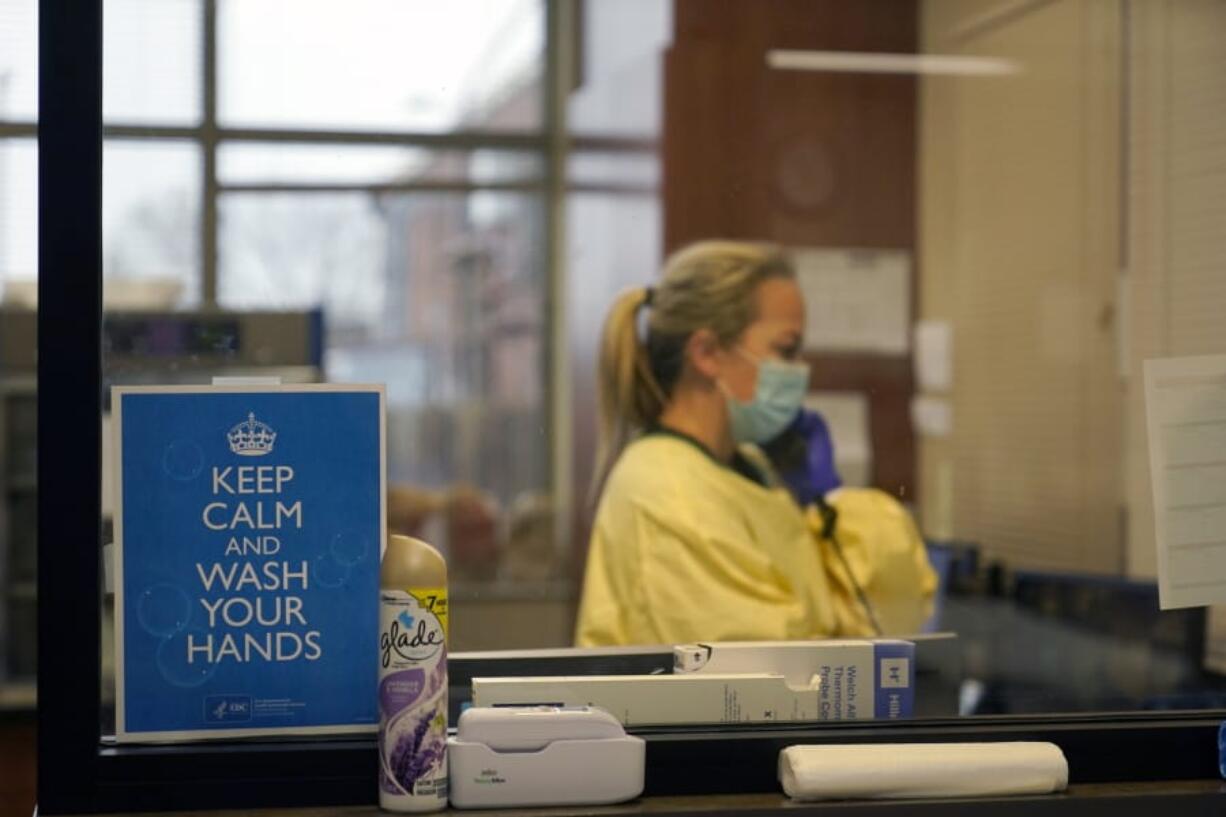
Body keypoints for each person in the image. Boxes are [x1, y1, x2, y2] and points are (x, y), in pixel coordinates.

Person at [575, 241, 936, 646]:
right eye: (786, 350)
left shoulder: (747, 469)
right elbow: (774, 668)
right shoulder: (668, 493)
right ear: (707, 353)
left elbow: (882, 620)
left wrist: (833, 506)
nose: (799, 372)